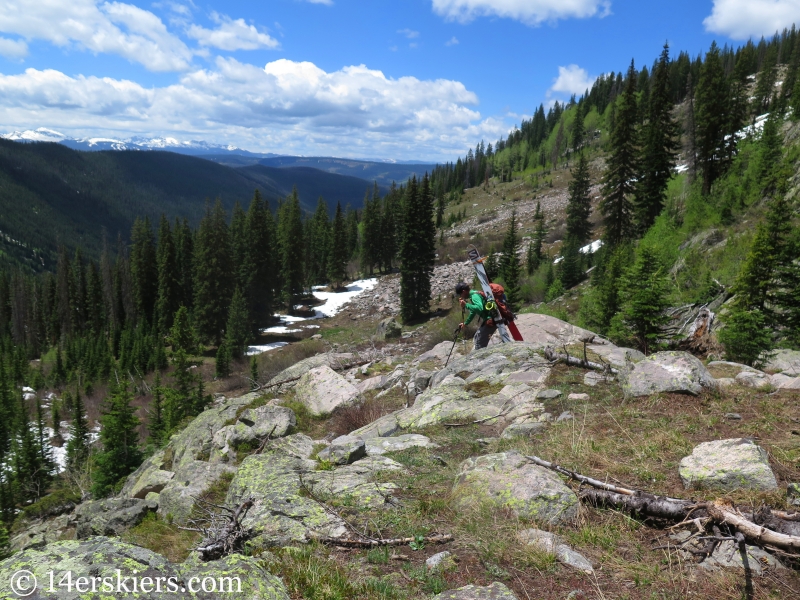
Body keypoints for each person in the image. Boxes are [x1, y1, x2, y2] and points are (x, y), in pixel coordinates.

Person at [455, 282, 496, 350]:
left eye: (460, 294)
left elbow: (479, 308)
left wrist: (466, 305)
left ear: (464, 291)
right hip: (491, 318)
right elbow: (473, 312)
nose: (461, 296)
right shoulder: (473, 294)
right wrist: (465, 323)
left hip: (491, 319)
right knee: (477, 336)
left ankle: (480, 358)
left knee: (479, 341)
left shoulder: (474, 296)